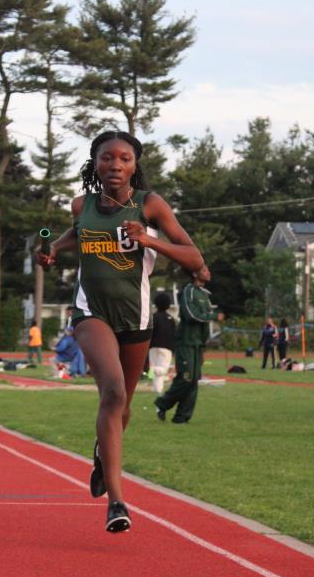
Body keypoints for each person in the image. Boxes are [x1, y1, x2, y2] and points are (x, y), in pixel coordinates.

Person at [36, 130, 205, 533]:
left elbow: (193, 257)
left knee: (123, 406)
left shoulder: (150, 205)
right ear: (95, 163)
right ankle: (117, 501)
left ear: (135, 165)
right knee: (111, 392)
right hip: (91, 312)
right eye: (107, 158)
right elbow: (76, 234)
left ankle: (102, 453)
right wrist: (53, 250)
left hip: (137, 318)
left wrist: (148, 240)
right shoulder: (82, 205)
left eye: (124, 159)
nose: (115, 165)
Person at [154, 266, 224, 424]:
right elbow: (191, 315)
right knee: (186, 378)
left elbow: (204, 321)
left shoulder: (205, 295)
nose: (208, 272)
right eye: (205, 270)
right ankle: (162, 404)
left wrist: (203, 346)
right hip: (185, 341)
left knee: (193, 381)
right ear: (195, 273)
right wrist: (213, 316)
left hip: (198, 344)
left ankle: (181, 417)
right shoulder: (188, 291)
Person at [148, 292, 175, 394]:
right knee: (162, 369)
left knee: (155, 368)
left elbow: (149, 333)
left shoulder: (153, 317)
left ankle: (157, 390)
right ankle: (157, 387)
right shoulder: (171, 319)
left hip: (152, 347)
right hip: (166, 347)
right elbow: (173, 335)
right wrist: (173, 349)